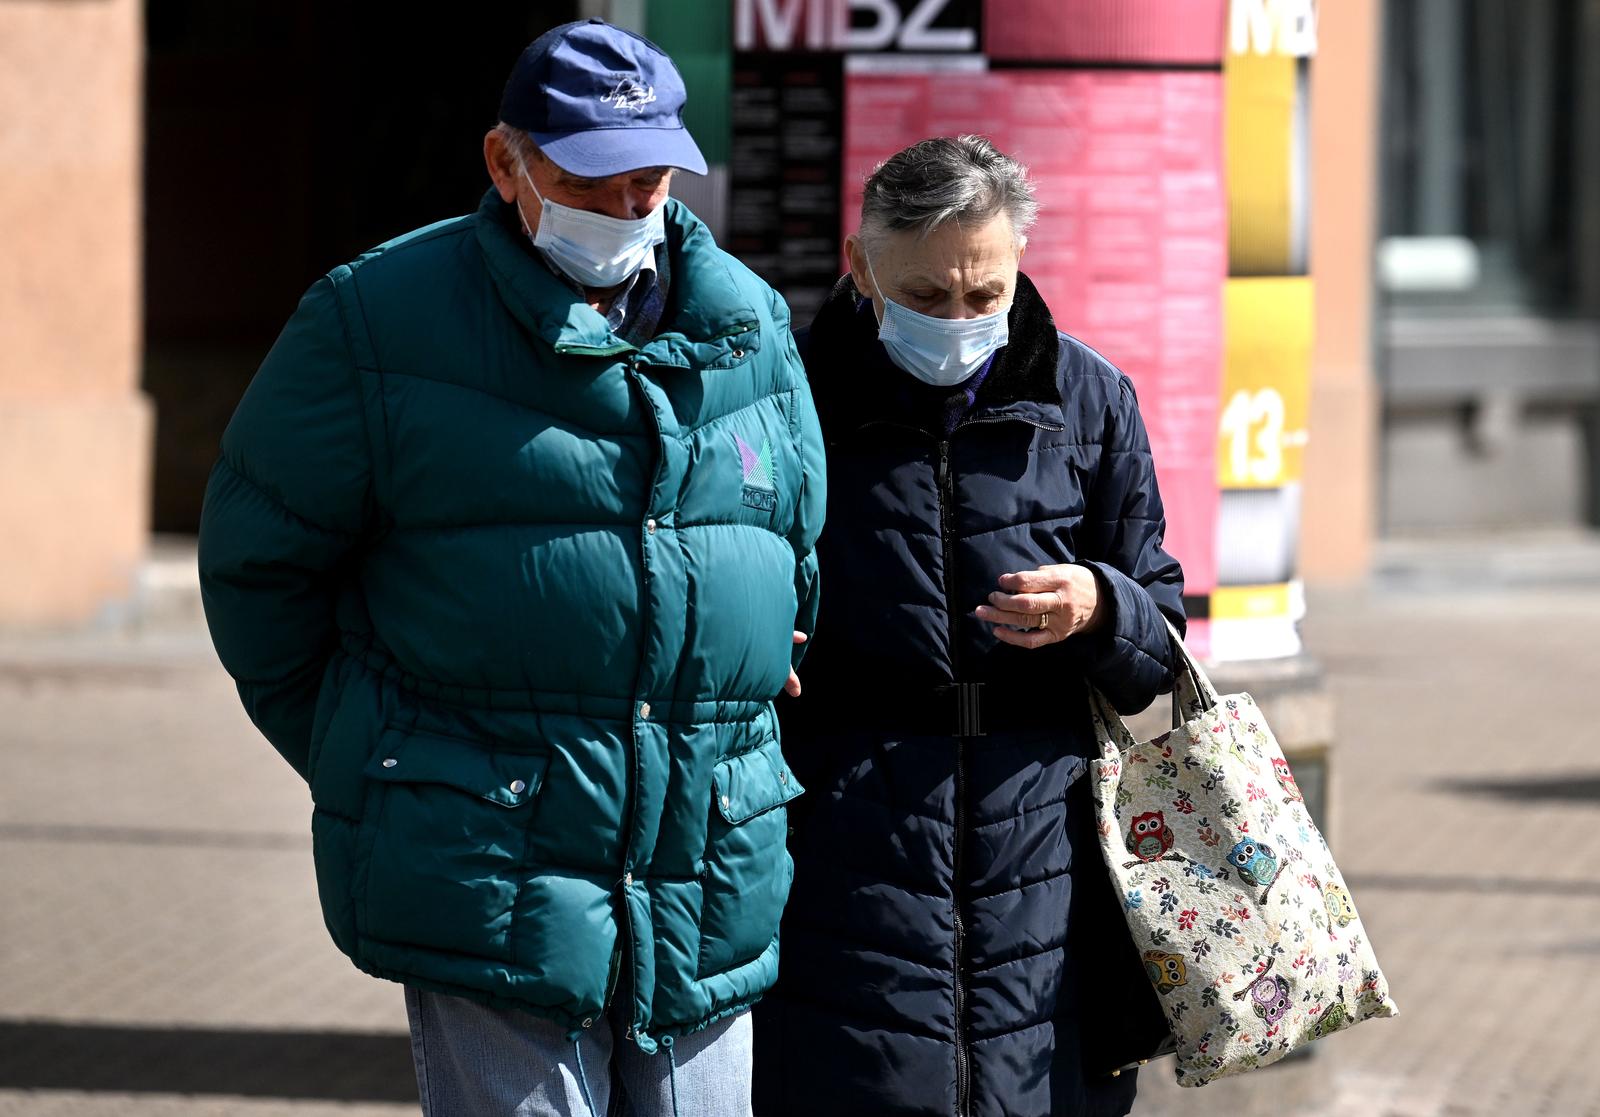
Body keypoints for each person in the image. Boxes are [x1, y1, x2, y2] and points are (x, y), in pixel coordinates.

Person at [198, 19, 824, 1117]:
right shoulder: (376, 320)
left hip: (704, 859)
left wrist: (751, 650)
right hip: (489, 858)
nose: (632, 206)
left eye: (653, 177)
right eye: (595, 177)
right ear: (506, 162)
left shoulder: (748, 324)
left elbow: (792, 539)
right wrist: (391, 761)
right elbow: (260, 569)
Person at [751, 136, 1184, 1117]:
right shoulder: (788, 401)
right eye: (926, 296)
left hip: (1047, 854)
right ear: (859, 267)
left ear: (1018, 264)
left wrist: (1099, 603)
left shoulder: (1088, 398)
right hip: (845, 842)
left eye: (982, 295)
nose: (956, 320)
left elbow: (1158, 636)